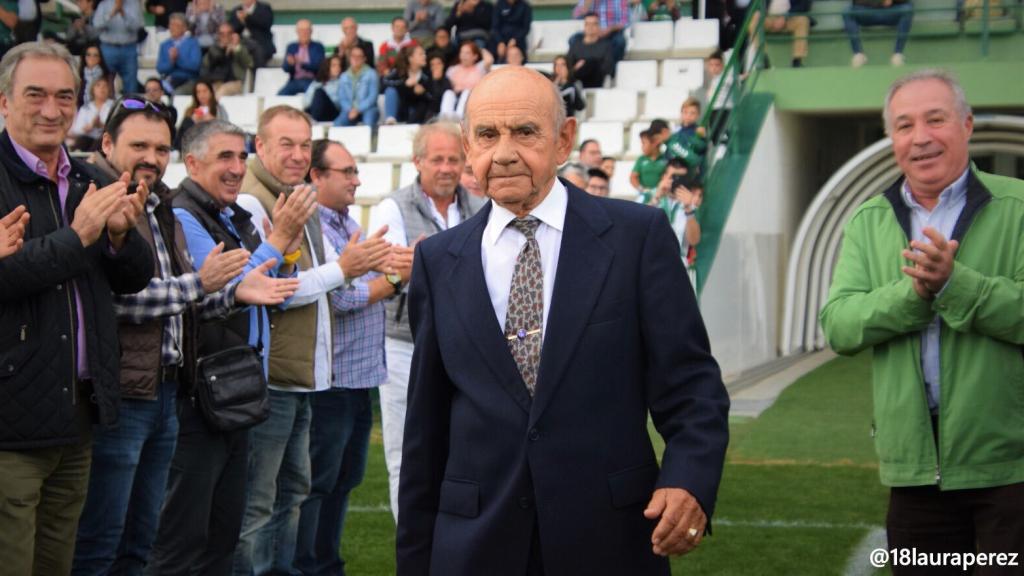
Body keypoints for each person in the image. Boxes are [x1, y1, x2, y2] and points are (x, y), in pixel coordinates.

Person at [396, 66, 729, 575]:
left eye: (524, 132)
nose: (503, 151)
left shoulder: (635, 238)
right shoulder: (438, 261)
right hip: (475, 548)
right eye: (487, 134)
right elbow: (426, 433)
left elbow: (691, 386)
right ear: (468, 145)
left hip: (609, 540)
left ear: (563, 139)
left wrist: (688, 479)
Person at [71, 95, 300, 576]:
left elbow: (188, 303)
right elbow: (119, 302)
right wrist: (213, 281)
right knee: (103, 544)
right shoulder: (93, 202)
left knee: (143, 543)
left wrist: (233, 295)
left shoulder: (158, 207)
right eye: (139, 145)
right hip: (125, 394)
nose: (151, 157)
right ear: (107, 143)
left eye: (159, 148)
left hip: (168, 391)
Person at [821, 69, 1024, 572]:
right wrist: (913, 295)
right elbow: (841, 325)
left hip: (1008, 475)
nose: (921, 137)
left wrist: (957, 285)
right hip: (912, 476)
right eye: (905, 125)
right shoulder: (867, 218)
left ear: (967, 124)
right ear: (893, 139)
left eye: (936, 119)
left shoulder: (1018, 208)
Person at [0, 41, 153, 576]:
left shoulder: (94, 177)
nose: (51, 109)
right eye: (35, 95)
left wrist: (116, 238)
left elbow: (136, 277)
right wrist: (79, 235)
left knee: (57, 564)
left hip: (78, 414)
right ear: (3, 103)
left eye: (65, 96)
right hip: (11, 421)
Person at [145, 119, 310, 575]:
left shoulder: (230, 213)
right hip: (200, 396)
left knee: (223, 534)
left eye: (241, 156)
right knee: (183, 538)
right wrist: (277, 240)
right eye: (225, 157)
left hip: (237, 391)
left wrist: (286, 250)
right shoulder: (182, 216)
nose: (238, 167)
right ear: (192, 163)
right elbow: (223, 289)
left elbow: (268, 288)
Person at [232, 106, 373, 576]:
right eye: (286, 144)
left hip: (300, 377)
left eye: (304, 144)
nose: (297, 154)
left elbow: (335, 274)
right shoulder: (252, 201)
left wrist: (354, 266)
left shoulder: (297, 196)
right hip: (270, 377)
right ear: (260, 146)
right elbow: (271, 292)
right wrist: (345, 269)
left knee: (290, 495)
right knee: (259, 503)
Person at [294, 139, 411, 575]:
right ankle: (309, 567)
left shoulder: (344, 223)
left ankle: (327, 564)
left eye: (355, 170)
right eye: (346, 171)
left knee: (343, 482)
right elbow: (342, 297)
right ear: (316, 176)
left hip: (359, 377)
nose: (356, 179)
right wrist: (398, 278)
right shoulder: (314, 226)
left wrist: (390, 265)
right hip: (332, 379)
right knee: (318, 484)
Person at [368, 121, 487, 520]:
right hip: (404, 344)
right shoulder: (392, 207)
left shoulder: (477, 205)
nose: (447, 167)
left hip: (462, 344)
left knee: (462, 447)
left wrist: (424, 261)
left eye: (454, 159)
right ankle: (414, 541)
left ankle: (453, 535)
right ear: (418, 161)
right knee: (406, 450)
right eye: (437, 159)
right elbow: (389, 269)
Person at [93, 0, 143, 94]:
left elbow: (137, 26)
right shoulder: (104, 4)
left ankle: (130, 107)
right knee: (106, 80)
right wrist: (111, 14)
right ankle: (108, 107)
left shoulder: (134, 4)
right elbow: (97, 25)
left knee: (131, 82)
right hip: (108, 48)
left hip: (129, 48)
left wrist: (123, 13)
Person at [843, 0, 912, 67]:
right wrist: (881, 2)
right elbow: (857, 2)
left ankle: (897, 54)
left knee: (907, 9)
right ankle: (858, 54)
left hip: (891, 11)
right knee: (848, 11)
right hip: (867, 12)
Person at [750, 0, 812, 67]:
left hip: (789, 18)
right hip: (768, 19)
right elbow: (755, 5)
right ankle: (763, 58)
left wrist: (785, 17)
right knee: (754, 17)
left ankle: (797, 60)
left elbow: (804, 5)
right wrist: (759, 12)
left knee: (803, 20)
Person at [439, 41, 492, 120]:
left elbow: (489, 60)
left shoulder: (479, 68)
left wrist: (480, 49)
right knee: (448, 93)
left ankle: (459, 118)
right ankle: (444, 118)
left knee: (466, 92)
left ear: (475, 56)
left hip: (472, 100)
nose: (463, 56)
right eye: (462, 52)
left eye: (467, 53)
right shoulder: (453, 69)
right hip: (456, 99)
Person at [202, 21, 254, 99]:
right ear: (218, 35)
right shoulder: (214, 49)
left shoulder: (240, 47)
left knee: (222, 91)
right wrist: (222, 50)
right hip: (217, 81)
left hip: (236, 82)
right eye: (222, 34)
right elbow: (206, 64)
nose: (225, 36)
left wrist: (236, 49)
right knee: (206, 93)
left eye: (228, 33)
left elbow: (249, 63)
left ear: (233, 34)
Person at [571, 0, 629, 69]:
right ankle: (579, 70)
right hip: (590, 33)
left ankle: (612, 71)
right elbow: (576, 16)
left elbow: (625, 21)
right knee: (573, 40)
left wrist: (609, 29)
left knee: (620, 41)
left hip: (612, 32)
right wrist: (587, 4)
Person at [382, 44, 432, 125]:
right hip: (400, 110)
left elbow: (432, 98)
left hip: (417, 114)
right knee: (390, 90)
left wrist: (423, 93)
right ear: (410, 58)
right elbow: (384, 82)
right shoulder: (399, 71)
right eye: (421, 54)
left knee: (421, 105)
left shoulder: (427, 75)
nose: (424, 56)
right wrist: (404, 84)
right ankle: (390, 119)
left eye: (424, 54)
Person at [334, 44, 379, 127]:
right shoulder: (344, 76)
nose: (356, 59)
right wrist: (350, 109)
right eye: (353, 56)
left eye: (359, 56)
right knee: (338, 124)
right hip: (349, 110)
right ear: (349, 58)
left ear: (364, 59)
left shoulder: (371, 74)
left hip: (368, 109)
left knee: (368, 122)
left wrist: (358, 109)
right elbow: (342, 98)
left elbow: (372, 97)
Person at [174, 79, 228, 150]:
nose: (201, 95)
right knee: (187, 121)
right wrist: (193, 121)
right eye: (198, 92)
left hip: (213, 142)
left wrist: (211, 120)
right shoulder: (190, 110)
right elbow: (182, 133)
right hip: (193, 143)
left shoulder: (219, 109)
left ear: (211, 92)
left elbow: (226, 128)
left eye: (204, 91)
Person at [157, 12, 202, 95]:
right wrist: (171, 62)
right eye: (171, 25)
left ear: (184, 28)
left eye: (176, 25)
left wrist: (177, 59)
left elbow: (195, 66)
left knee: (177, 94)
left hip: (188, 80)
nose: (172, 28)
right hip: (169, 79)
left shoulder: (193, 43)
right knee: (155, 91)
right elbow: (160, 68)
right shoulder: (164, 45)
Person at [566, 12, 614, 88]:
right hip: (577, 79)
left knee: (592, 63)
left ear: (599, 26)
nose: (590, 27)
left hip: (596, 80)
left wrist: (587, 65)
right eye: (587, 24)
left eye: (594, 24)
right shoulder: (575, 46)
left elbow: (608, 67)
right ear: (584, 26)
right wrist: (576, 68)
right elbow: (568, 65)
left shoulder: (606, 46)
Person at [67, 75, 113, 151]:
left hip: (104, 140)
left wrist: (101, 125)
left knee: (100, 141)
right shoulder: (86, 108)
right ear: (93, 89)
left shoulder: (113, 105)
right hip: (87, 138)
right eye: (98, 85)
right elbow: (77, 129)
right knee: (82, 140)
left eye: (105, 86)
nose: (102, 88)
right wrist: (90, 126)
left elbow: (116, 128)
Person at [280, 19, 324, 97]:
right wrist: (290, 64)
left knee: (314, 96)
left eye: (307, 30)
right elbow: (285, 68)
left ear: (311, 31)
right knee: (280, 96)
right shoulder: (291, 47)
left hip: (312, 80)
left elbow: (319, 67)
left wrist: (302, 63)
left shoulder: (318, 46)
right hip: (294, 81)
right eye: (301, 30)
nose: (304, 33)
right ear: (297, 32)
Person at [665, 97, 707, 174]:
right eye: (685, 112)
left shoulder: (699, 131)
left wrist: (703, 137)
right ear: (681, 113)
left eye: (692, 113)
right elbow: (669, 150)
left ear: (698, 115)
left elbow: (701, 151)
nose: (688, 115)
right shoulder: (675, 130)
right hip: (673, 165)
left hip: (688, 169)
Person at [227, 0, 273, 67]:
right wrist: (241, 21)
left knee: (258, 52)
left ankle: (257, 74)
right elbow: (232, 28)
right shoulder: (236, 10)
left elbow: (266, 24)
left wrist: (248, 18)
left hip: (260, 42)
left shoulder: (264, 8)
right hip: (241, 42)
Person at [304, 54, 342, 122]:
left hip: (334, 111)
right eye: (334, 65)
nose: (338, 68)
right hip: (317, 110)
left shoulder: (342, 81)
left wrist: (325, 95)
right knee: (318, 92)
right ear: (327, 67)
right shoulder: (317, 82)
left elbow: (340, 103)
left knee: (319, 92)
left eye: (339, 65)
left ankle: (313, 119)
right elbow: (306, 102)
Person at [631, 129, 667, 197]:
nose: (642, 146)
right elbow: (633, 177)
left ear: (654, 144)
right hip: (645, 197)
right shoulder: (641, 159)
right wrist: (642, 190)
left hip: (662, 196)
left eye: (643, 143)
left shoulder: (666, 159)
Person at [77, 43, 113, 107]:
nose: (91, 58)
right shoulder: (79, 77)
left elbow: (111, 98)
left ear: (100, 58)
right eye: (88, 55)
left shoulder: (107, 77)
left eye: (95, 55)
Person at [423, 53, 452, 121]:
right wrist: (434, 81)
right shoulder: (426, 80)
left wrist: (436, 81)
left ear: (443, 65)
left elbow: (443, 98)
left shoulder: (447, 80)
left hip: (442, 114)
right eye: (432, 64)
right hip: (428, 114)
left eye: (438, 63)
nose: (436, 66)